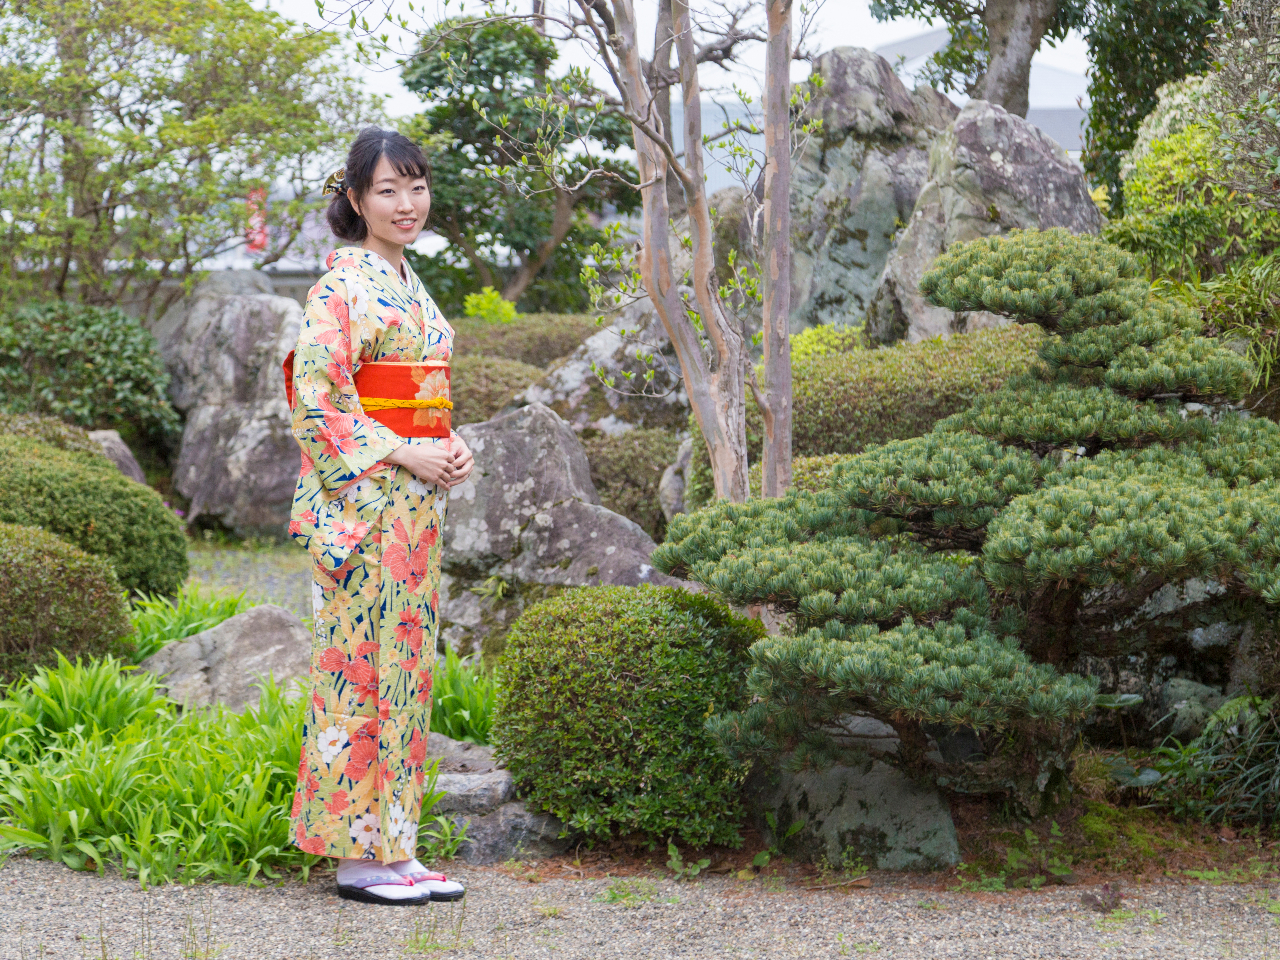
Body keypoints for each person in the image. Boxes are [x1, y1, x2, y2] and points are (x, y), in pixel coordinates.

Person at [284, 126, 474, 906]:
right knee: (358, 668)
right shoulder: (342, 285)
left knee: (405, 669)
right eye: (388, 190)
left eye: (417, 186)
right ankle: (354, 857)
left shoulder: (407, 277)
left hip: (413, 509)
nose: (406, 203)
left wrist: (453, 443)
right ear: (356, 199)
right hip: (367, 507)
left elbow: (422, 391)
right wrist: (404, 451)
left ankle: (395, 845)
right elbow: (316, 396)